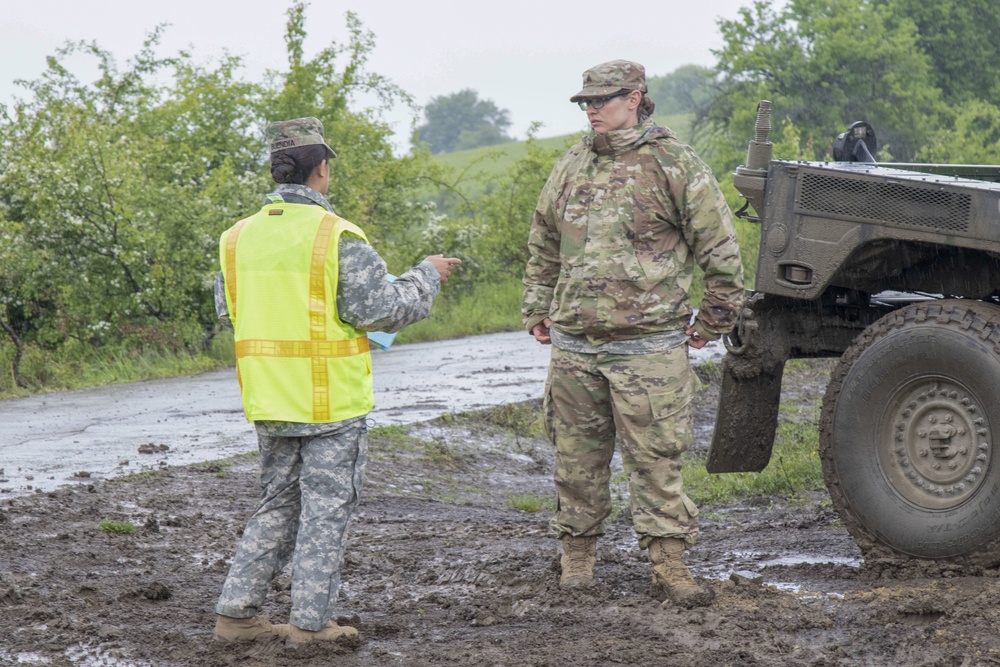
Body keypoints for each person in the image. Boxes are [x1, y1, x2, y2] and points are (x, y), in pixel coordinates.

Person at [212, 117, 461, 643]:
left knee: (275, 503)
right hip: (329, 402)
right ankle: (310, 625)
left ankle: (236, 616)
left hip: (268, 398)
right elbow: (382, 308)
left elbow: (230, 311)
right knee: (327, 510)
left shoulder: (236, 238)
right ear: (322, 168)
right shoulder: (336, 234)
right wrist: (427, 274)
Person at [522, 60, 744, 607]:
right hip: (576, 348)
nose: (592, 109)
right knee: (574, 459)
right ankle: (577, 558)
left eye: (603, 99)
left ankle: (668, 564)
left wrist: (713, 319)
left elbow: (720, 249)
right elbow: (544, 241)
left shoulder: (674, 163)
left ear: (636, 97)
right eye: (585, 102)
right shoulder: (572, 165)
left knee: (656, 459)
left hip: (648, 348)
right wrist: (536, 304)